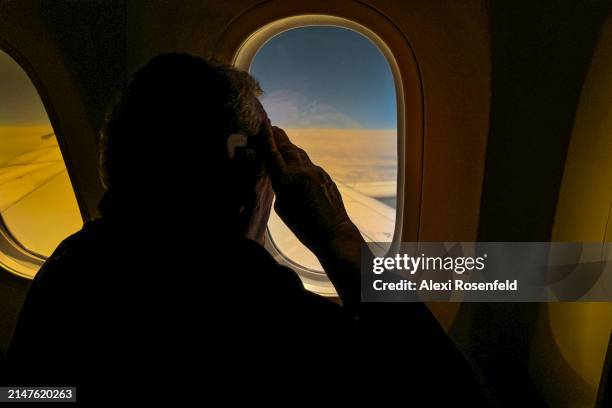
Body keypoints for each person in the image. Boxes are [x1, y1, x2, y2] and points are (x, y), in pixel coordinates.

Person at [3, 53, 483, 404]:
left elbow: (31, 394)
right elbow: (448, 395)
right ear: (241, 163)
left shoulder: (71, 267)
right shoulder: (248, 299)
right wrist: (340, 238)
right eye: (268, 152)